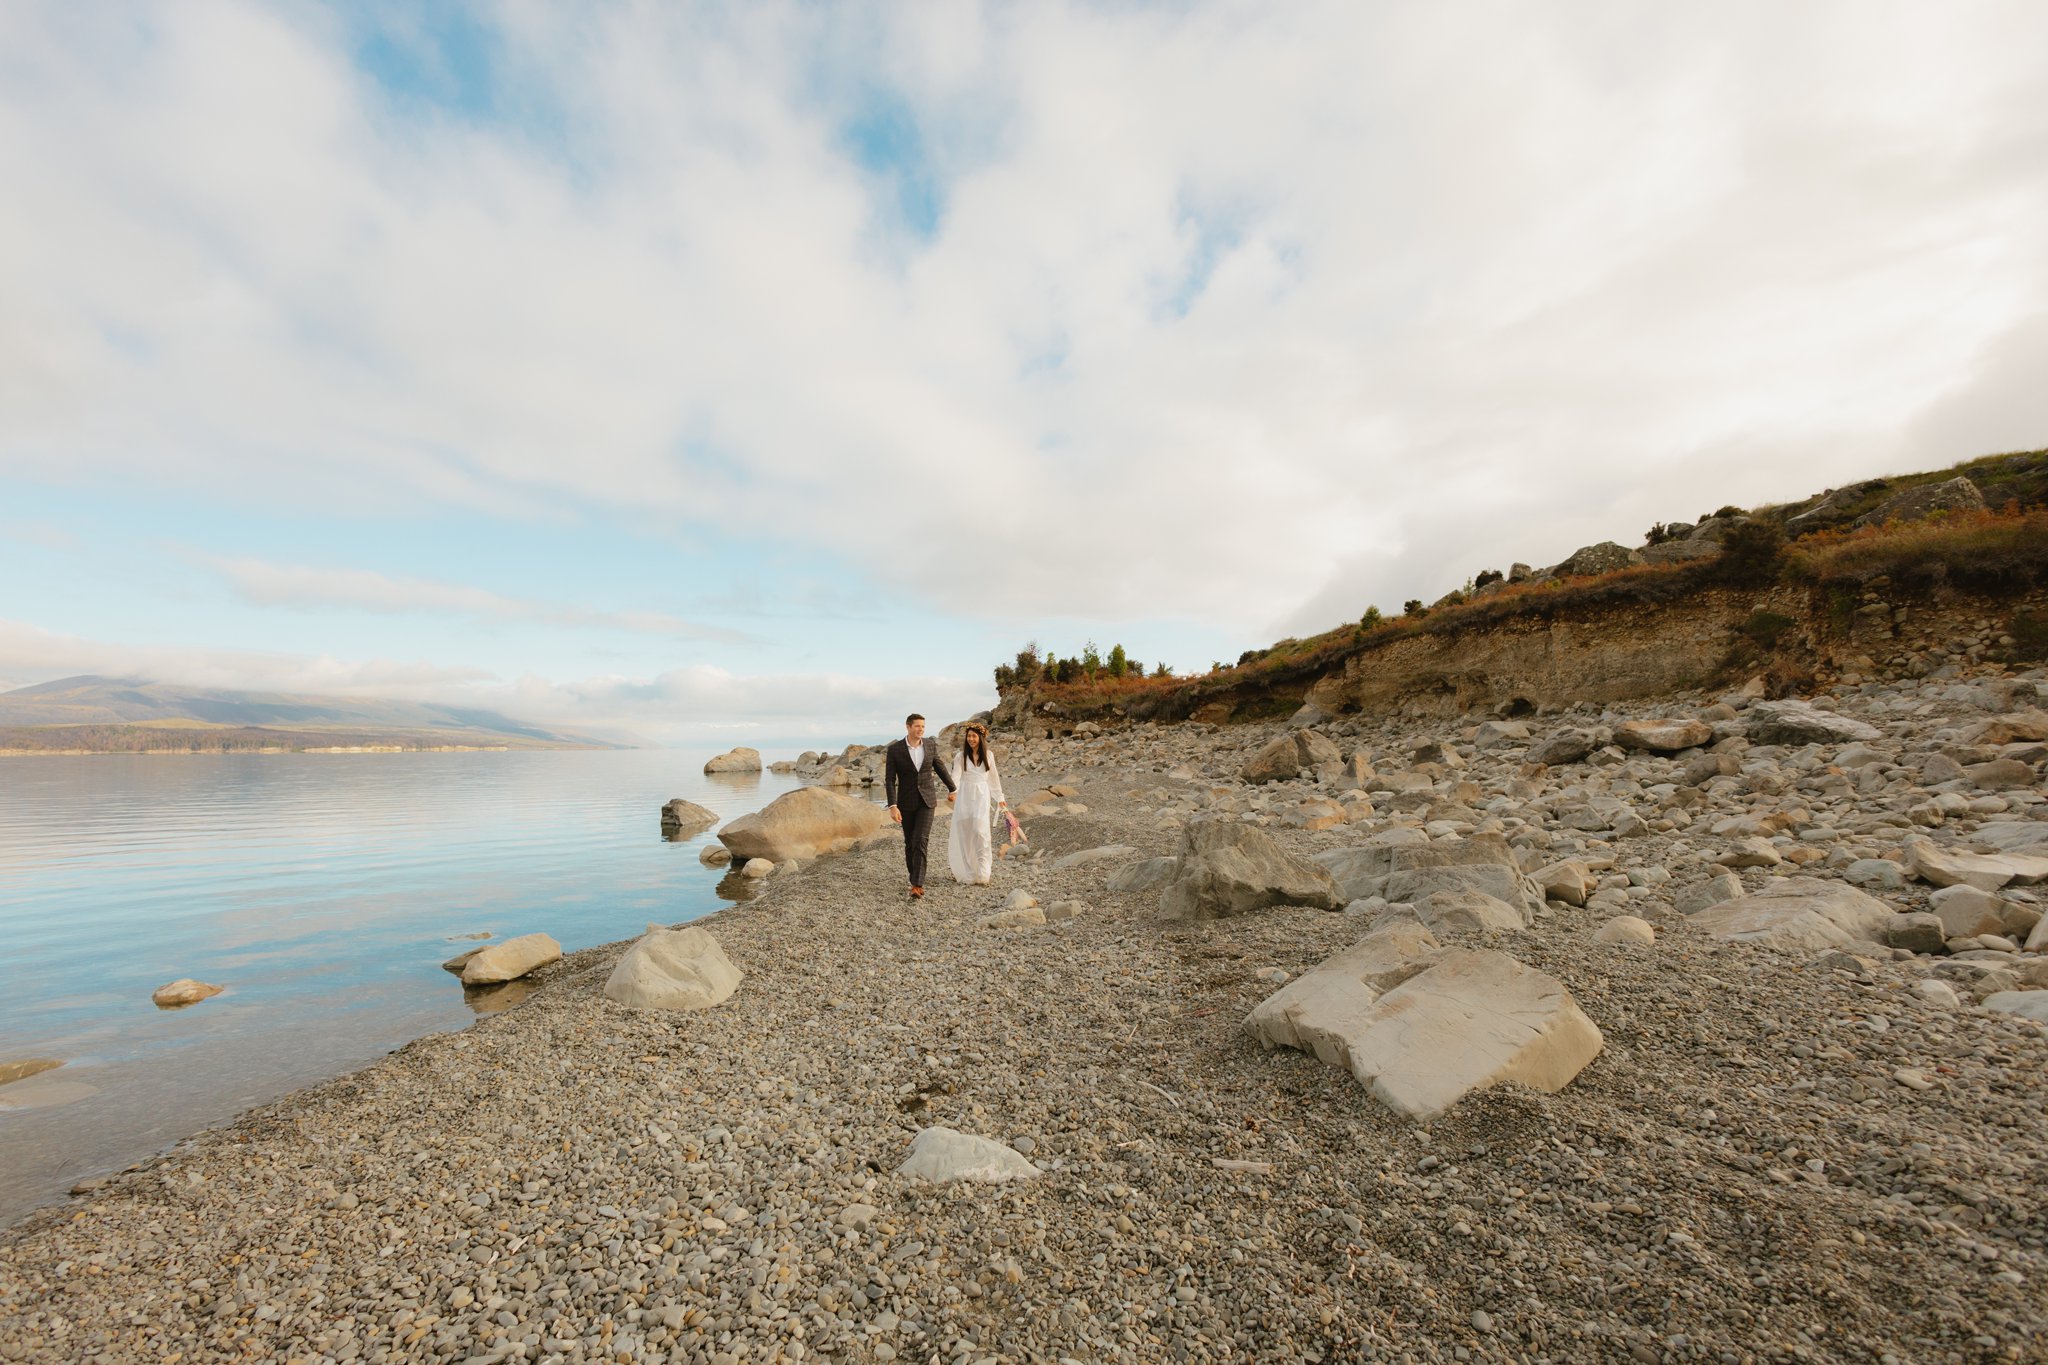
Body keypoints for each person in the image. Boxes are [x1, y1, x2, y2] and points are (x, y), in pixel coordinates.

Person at [884, 713, 955, 899]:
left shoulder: (930, 745)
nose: (921, 729)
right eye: (917, 726)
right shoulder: (895, 750)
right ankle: (914, 876)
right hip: (905, 803)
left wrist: (952, 788)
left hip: (927, 801)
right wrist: (892, 805)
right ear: (908, 727)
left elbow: (939, 766)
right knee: (910, 843)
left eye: (923, 726)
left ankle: (917, 884)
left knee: (921, 839)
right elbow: (890, 779)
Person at [945, 723, 1008, 885]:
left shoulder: (989, 756)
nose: (971, 739)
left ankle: (983, 872)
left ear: (981, 738)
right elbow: (956, 776)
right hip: (964, 796)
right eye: (969, 736)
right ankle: (969, 873)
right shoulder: (960, 756)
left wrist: (1000, 798)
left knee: (981, 832)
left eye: (974, 736)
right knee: (965, 833)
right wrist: (953, 791)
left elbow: (994, 779)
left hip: (981, 795)